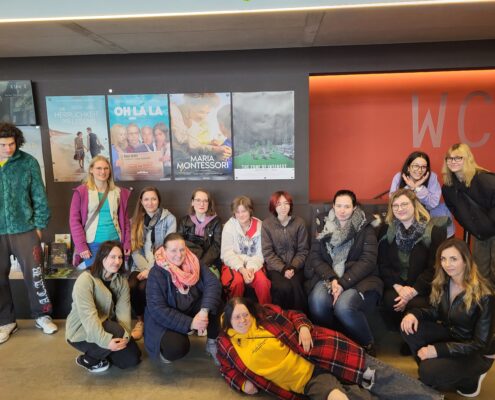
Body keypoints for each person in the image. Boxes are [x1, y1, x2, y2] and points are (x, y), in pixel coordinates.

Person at [217, 297, 443, 400]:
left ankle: (433, 398)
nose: (243, 320)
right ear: (228, 320)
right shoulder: (227, 345)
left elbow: (294, 315)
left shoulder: (265, 315)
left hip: (325, 353)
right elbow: (226, 370)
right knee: (342, 397)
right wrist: (242, 383)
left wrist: (303, 327)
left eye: (245, 314)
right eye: (237, 317)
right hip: (308, 380)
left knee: (377, 376)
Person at [401, 238, 494, 397]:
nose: (447, 264)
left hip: (474, 351)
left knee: (427, 371)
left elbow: (480, 344)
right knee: (409, 328)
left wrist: (438, 350)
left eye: (453, 259)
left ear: (465, 260)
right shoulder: (445, 282)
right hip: (451, 334)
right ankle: (434, 371)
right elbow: (436, 312)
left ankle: (470, 378)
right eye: (443, 259)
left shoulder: (485, 294)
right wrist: (413, 314)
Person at [305, 190, 382, 355]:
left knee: (344, 307)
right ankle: (332, 341)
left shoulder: (365, 226)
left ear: (354, 208)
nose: (342, 210)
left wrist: (342, 283)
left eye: (347, 206)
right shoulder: (322, 224)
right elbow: (315, 257)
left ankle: (367, 344)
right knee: (318, 302)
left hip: (358, 278)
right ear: (333, 206)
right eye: (338, 206)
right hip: (328, 276)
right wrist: (333, 278)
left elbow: (368, 260)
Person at [0, 123, 57, 343]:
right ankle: (6, 322)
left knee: (35, 275)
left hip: (25, 230)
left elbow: (40, 196)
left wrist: (39, 227)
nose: (8, 148)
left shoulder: (28, 163)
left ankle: (42, 315)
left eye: (11, 144)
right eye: (3, 145)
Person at [378, 188, 448, 344]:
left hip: (423, 286)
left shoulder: (433, 231)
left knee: (416, 304)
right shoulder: (387, 230)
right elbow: (383, 264)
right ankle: (402, 334)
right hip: (397, 284)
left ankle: (413, 338)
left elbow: (435, 267)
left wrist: (413, 291)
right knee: (391, 300)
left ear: (414, 205)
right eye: (395, 206)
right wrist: (399, 288)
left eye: (404, 204)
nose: (400, 209)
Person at [144, 233, 222, 365]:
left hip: (189, 306)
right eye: (173, 250)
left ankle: (211, 342)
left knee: (215, 302)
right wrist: (191, 323)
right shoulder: (156, 273)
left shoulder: (194, 262)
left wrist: (204, 311)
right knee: (176, 347)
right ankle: (166, 348)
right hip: (168, 315)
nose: (179, 255)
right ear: (164, 251)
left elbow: (213, 283)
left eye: (182, 250)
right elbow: (157, 309)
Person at [66, 241, 141, 373]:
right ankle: (88, 359)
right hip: (82, 328)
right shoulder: (85, 280)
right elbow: (89, 317)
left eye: (120, 257)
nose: (117, 261)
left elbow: (124, 311)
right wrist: (106, 342)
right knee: (116, 332)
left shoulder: (121, 281)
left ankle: (104, 352)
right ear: (102, 258)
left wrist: (126, 336)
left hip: (108, 325)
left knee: (132, 359)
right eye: (113, 257)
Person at [442, 143, 495, 282]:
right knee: (481, 273)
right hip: (480, 235)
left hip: (490, 230)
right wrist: (473, 227)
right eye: (449, 158)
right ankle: (485, 297)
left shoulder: (484, 179)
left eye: (458, 158)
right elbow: (455, 210)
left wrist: (489, 224)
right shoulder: (448, 187)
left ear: (467, 158)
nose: (453, 161)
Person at [129, 187, 176, 340]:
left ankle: (152, 320)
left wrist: (150, 270)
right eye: (146, 199)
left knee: (144, 286)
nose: (150, 203)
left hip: (161, 265)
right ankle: (140, 320)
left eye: (153, 199)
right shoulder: (135, 221)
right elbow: (135, 249)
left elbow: (169, 249)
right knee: (131, 285)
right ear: (141, 202)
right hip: (139, 265)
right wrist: (145, 269)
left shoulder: (169, 219)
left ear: (159, 200)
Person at [69, 155, 131, 269]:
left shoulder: (118, 192)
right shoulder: (82, 192)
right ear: (91, 170)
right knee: (94, 275)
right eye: (99, 168)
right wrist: (81, 246)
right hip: (92, 244)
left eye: (106, 168)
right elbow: (74, 221)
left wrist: (127, 242)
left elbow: (125, 221)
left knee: (113, 275)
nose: (103, 172)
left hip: (115, 242)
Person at [261, 190, 308, 312]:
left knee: (296, 286)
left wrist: (293, 267)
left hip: (296, 267)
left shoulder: (299, 222)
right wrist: (283, 269)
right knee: (282, 287)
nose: (283, 207)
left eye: (286, 203)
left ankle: (300, 317)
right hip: (276, 268)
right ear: (273, 206)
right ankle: (281, 317)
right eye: (279, 204)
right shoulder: (267, 224)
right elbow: (267, 252)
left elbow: (303, 250)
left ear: (290, 205)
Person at [221, 196, 271, 304]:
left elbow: (261, 253)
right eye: (237, 212)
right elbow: (227, 253)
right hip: (234, 264)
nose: (241, 215)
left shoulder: (260, 226)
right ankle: (234, 310)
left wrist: (251, 268)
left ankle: (266, 311)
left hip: (254, 264)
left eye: (244, 211)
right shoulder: (229, 226)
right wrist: (242, 270)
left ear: (250, 210)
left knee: (263, 283)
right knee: (237, 282)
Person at [390, 151, 454, 237]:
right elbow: (394, 202)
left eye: (423, 167)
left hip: (433, 221)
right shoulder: (399, 177)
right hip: (408, 223)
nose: (419, 170)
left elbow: (433, 203)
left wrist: (417, 188)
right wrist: (410, 187)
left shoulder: (432, 177)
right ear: (408, 167)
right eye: (416, 166)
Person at [177, 188, 222, 277]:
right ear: (192, 202)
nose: (202, 204)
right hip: (187, 260)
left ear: (209, 204)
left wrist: (201, 264)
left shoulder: (216, 222)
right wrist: (189, 262)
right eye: (198, 200)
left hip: (208, 262)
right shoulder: (184, 221)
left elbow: (216, 246)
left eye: (205, 201)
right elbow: (178, 243)